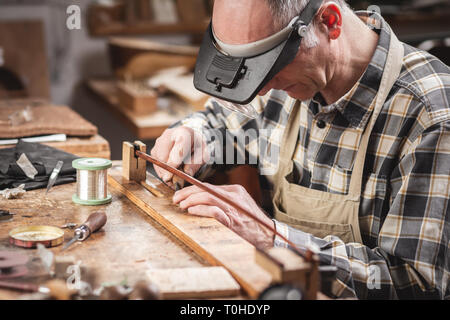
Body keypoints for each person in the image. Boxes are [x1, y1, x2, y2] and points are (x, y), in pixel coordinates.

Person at [151, 0, 449, 299]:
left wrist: (272, 236)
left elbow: (416, 283)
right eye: (250, 69)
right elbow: (216, 122)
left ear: (330, 22)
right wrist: (192, 136)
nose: (262, 88)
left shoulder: (432, 117)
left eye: (272, 64)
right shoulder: (287, 81)